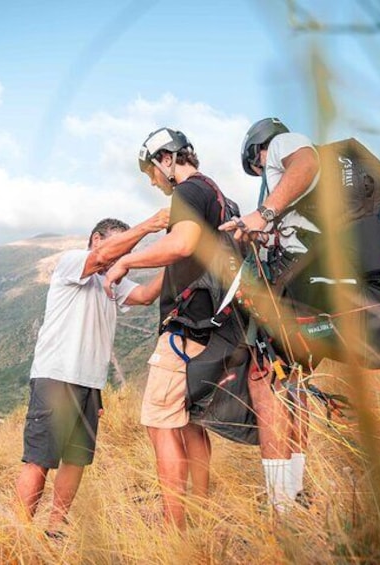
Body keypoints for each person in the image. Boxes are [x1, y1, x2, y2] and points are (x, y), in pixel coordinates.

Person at [220, 117, 380, 512]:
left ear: (258, 150)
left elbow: (305, 163)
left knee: (266, 381)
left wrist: (262, 214)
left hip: (335, 302)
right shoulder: (319, 203)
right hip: (351, 302)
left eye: (257, 167)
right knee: (291, 385)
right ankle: (296, 493)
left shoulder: (283, 146)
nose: (263, 174)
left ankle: (280, 504)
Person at [102, 127, 238, 530]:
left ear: (166, 159)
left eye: (151, 171)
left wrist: (126, 261)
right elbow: (163, 282)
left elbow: (180, 245)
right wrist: (130, 292)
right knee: (193, 424)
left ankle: (174, 526)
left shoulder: (188, 192)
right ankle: (200, 509)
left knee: (160, 424)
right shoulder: (220, 199)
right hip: (214, 331)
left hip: (185, 331)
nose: (152, 181)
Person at [15, 213, 168, 536]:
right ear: (97, 239)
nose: (121, 257)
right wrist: (151, 225)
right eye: (119, 247)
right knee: (40, 459)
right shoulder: (74, 262)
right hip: (57, 377)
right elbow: (101, 258)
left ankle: (55, 529)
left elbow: (145, 296)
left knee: (76, 459)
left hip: (90, 383)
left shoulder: (110, 280)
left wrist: (178, 262)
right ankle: (18, 532)